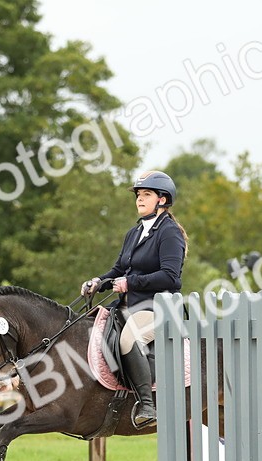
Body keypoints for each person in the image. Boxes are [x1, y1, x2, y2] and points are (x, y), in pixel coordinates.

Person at [80, 170, 187, 428]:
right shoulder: (134, 232)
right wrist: (99, 282)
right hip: (128, 306)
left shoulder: (169, 233)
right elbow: (119, 268)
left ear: (162, 200)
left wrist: (131, 282)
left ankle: (147, 406)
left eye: (146, 194)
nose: (139, 199)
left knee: (130, 338)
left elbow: (170, 277)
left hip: (159, 308)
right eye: (138, 195)